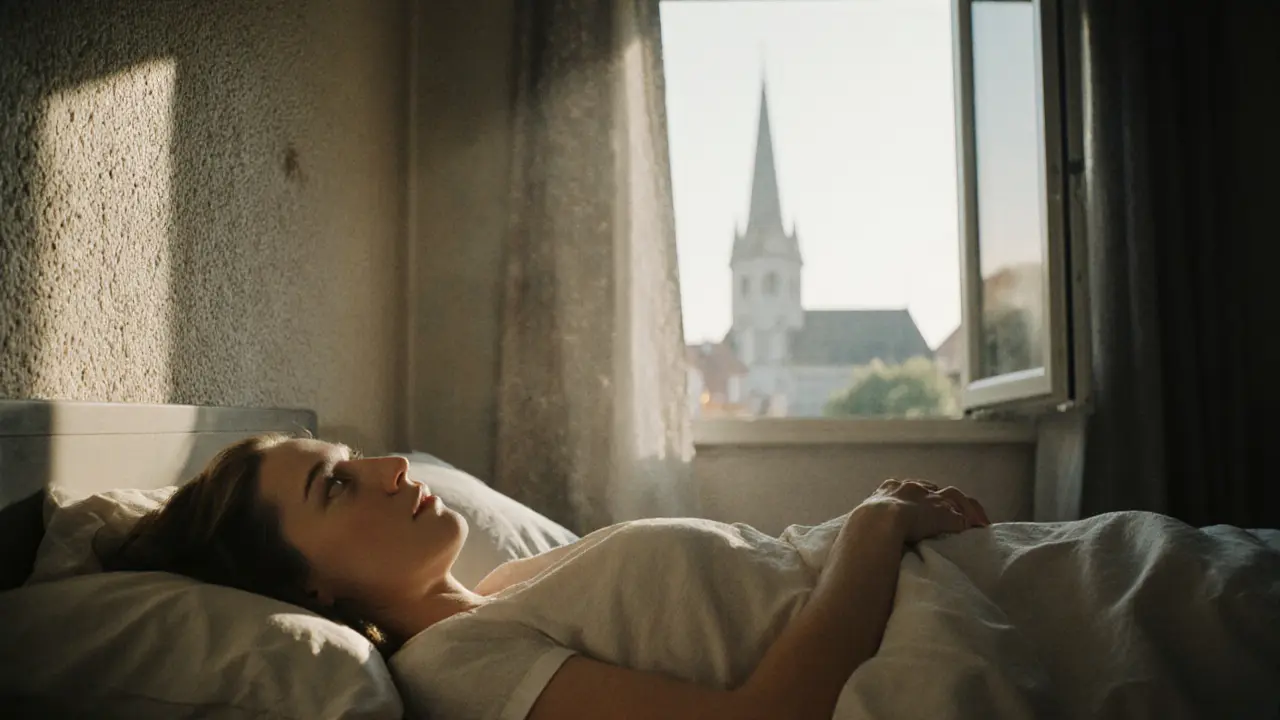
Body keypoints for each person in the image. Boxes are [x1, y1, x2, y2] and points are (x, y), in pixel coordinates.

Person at [109, 433, 992, 720]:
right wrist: (874, 526)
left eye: (353, 454)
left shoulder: (505, 591)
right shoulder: (453, 667)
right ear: (311, 592)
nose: (389, 466)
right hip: (951, 646)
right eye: (334, 485)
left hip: (969, 584)